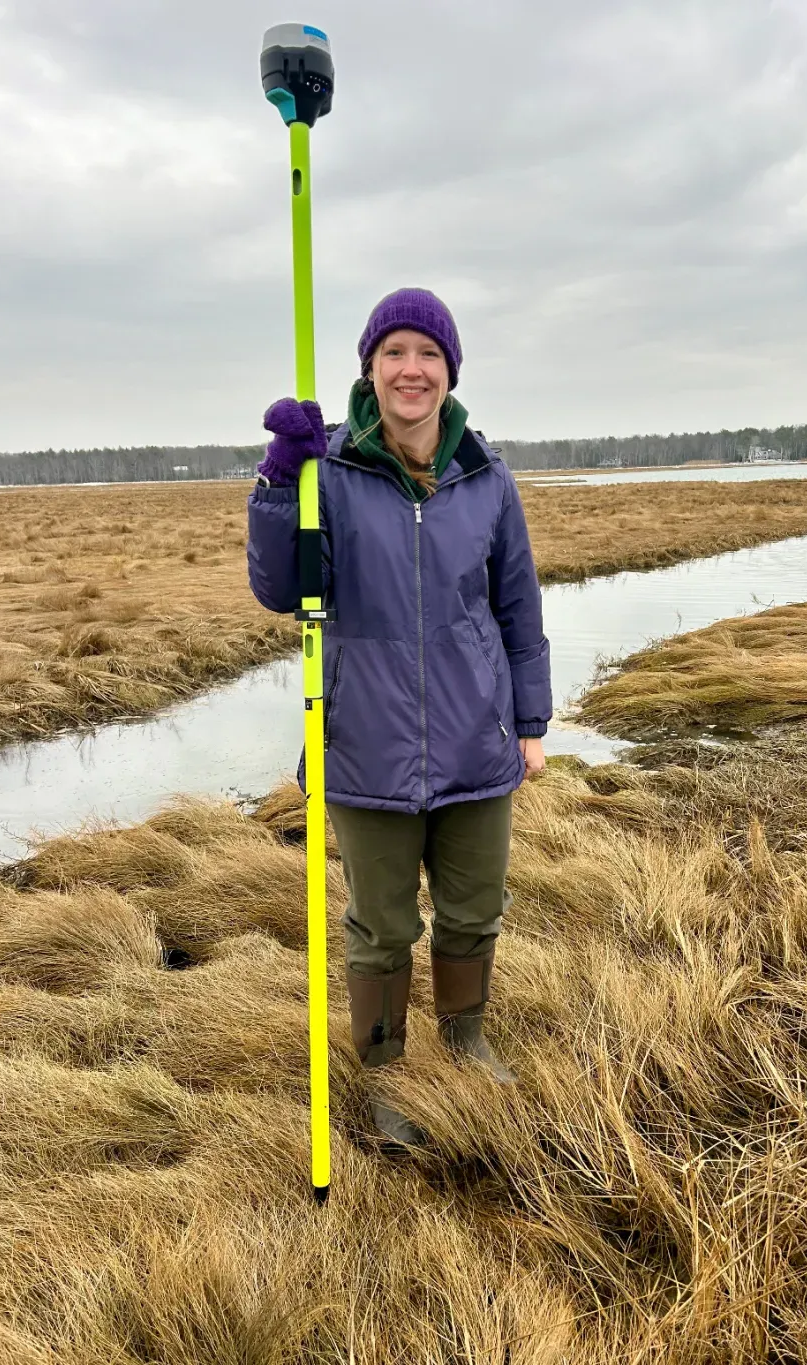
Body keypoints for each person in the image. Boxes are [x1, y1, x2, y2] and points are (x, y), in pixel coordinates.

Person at [247, 288, 552, 1145]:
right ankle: (382, 1074)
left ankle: (466, 1043)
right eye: (394, 353)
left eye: (428, 353)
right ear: (370, 370)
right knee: (382, 925)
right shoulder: (328, 471)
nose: (411, 369)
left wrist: (530, 724)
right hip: (364, 744)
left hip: (474, 740)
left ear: (450, 371)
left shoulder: (487, 478)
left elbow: (518, 607)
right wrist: (279, 483)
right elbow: (282, 589)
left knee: (472, 910)